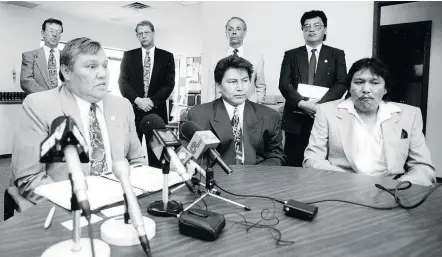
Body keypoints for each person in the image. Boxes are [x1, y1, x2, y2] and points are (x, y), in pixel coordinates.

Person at [12, 37, 146, 204]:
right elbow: (30, 179)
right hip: (70, 205)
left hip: (122, 201)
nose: (103, 74)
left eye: (105, 66)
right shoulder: (39, 106)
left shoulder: (122, 105)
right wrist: (79, 205)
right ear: (67, 72)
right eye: (91, 67)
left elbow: (137, 161)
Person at [303, 57, 435, 186]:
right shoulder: (327, 111)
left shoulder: (409, 115)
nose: (366, 89)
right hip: (342, 187)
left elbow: (423, 167)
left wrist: (397, 188)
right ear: (349, 87)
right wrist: (348, 183)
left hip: (393, 189)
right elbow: (312, 159)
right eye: (359, 82)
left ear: (385, 89)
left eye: (374, 83)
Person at [187, 55, 285, 166]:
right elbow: (193, 158)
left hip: (257, 179)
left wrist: (256, 177)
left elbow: (276, 156)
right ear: (218, 86)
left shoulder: (269, 116)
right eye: (232, 82)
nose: (240, 88)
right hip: (218, 179)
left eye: (244, 81)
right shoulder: (198, 115)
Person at [279, 10, 347, 167]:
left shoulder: (336, 54)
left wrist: (319, 106)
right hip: (295, 119)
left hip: (323, 117)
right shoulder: (291, 55)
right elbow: (284, 84)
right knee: (293, 166)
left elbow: (342, 82)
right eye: (306, 26)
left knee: (321, 166)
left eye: (316, 26)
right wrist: (302, 103)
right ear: (302, 30)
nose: (311, 29)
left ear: (325, 29)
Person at [119, 20, 175, 168]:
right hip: (133, 111)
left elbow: (169, 84)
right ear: (137, 36)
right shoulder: (129, 56)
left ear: (153, 33)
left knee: (158, 153)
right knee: (130, 153)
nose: (144, 36)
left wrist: (151, 101)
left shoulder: (167, 56)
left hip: (156, 113)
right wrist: (138, 100)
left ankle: (159, 186)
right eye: (140, 33)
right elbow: (123, 83)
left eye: (147, 32)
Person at [202, 16, 266, 104]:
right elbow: (211, 88)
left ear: (245, 32)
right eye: (230, 29)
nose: (234, 32)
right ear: (226, 33)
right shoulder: (215, 59)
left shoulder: (256, 58)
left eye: (238, 29)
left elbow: (260, 86)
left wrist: (258, 106)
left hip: (248, 108)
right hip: (222, 109)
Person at [21, 18, 64, 94]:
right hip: (40, 101)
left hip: (64, 100)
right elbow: (26, 81)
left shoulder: (67, 56)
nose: (54, 34)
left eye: (58, 32)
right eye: (51, 31)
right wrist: (49, 96)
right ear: (42, 33)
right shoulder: (30, 56)